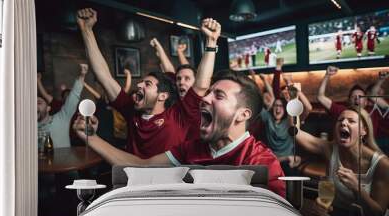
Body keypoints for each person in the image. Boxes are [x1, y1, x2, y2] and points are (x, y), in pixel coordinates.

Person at [73, 70, 286, 197]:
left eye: (218, 96)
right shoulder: (189, 148)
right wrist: (90, 136)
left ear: (242, 114)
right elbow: (142, 166)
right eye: (208, 92)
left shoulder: (263, 162)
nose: (205, 98)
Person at [77, 8, 220, 158]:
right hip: (134, 179)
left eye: (147, 84)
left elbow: (202, 84)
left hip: (169, 180)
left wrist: (211, 41)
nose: (139, 85)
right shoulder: (131, 110)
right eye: (141, 83)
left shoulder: (179, 115)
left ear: (162, 96)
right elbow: (103, 76)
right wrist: (86, 30)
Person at [296, 107, 389, 216]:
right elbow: (295, 132)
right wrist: (321, 207)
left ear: (363, 130)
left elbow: (378, 214)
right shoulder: (330, 149)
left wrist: (356, 187)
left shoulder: (382, 164)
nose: (343, 123)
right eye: (340, 120)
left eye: (351, 121)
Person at [317, 66, 388, 138]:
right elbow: (320, 97)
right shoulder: (343, 111)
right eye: (354, 97)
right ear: (349, 101)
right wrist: (327, 75)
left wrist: (381, 80)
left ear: (366, 102)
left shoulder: (373, 112)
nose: (357, 98)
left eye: (360, 96)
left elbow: (373, 93)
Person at [37, 63, 87, 148]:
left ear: (49, 108)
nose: (35, 106)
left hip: (77, 142)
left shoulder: (61, 117)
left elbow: (74, 95)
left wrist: (82, 75)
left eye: (39, 103)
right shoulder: (27, 127)